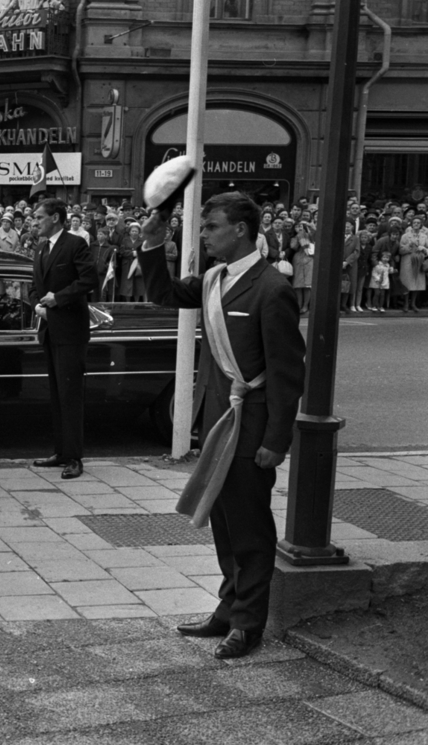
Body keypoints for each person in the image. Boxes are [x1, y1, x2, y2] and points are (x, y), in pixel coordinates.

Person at [139, 191, 305, 660]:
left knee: (250, 529)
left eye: (212, 226)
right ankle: (228, 608)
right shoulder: (216, 278)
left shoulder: (272, 288)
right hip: (219, 423)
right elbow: (164, 294)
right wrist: (152, 246)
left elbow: (287, 372)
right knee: (224, 523)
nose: (205, 234)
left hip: (251, 429)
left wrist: (276, 440)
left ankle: (248, 625)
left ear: (241, 230)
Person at [27, 198, 98, 480]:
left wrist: (58, 298)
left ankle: (74, 457)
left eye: (39, 217)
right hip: (49, 330)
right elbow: (34, 285)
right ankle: (61, 451)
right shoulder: (41, 248)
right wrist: (37, 305)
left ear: (55, 218)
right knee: (57, 396)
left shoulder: (74, 244)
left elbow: (89, 279)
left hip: (70, 331)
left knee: (70, 396)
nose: (35, 221)